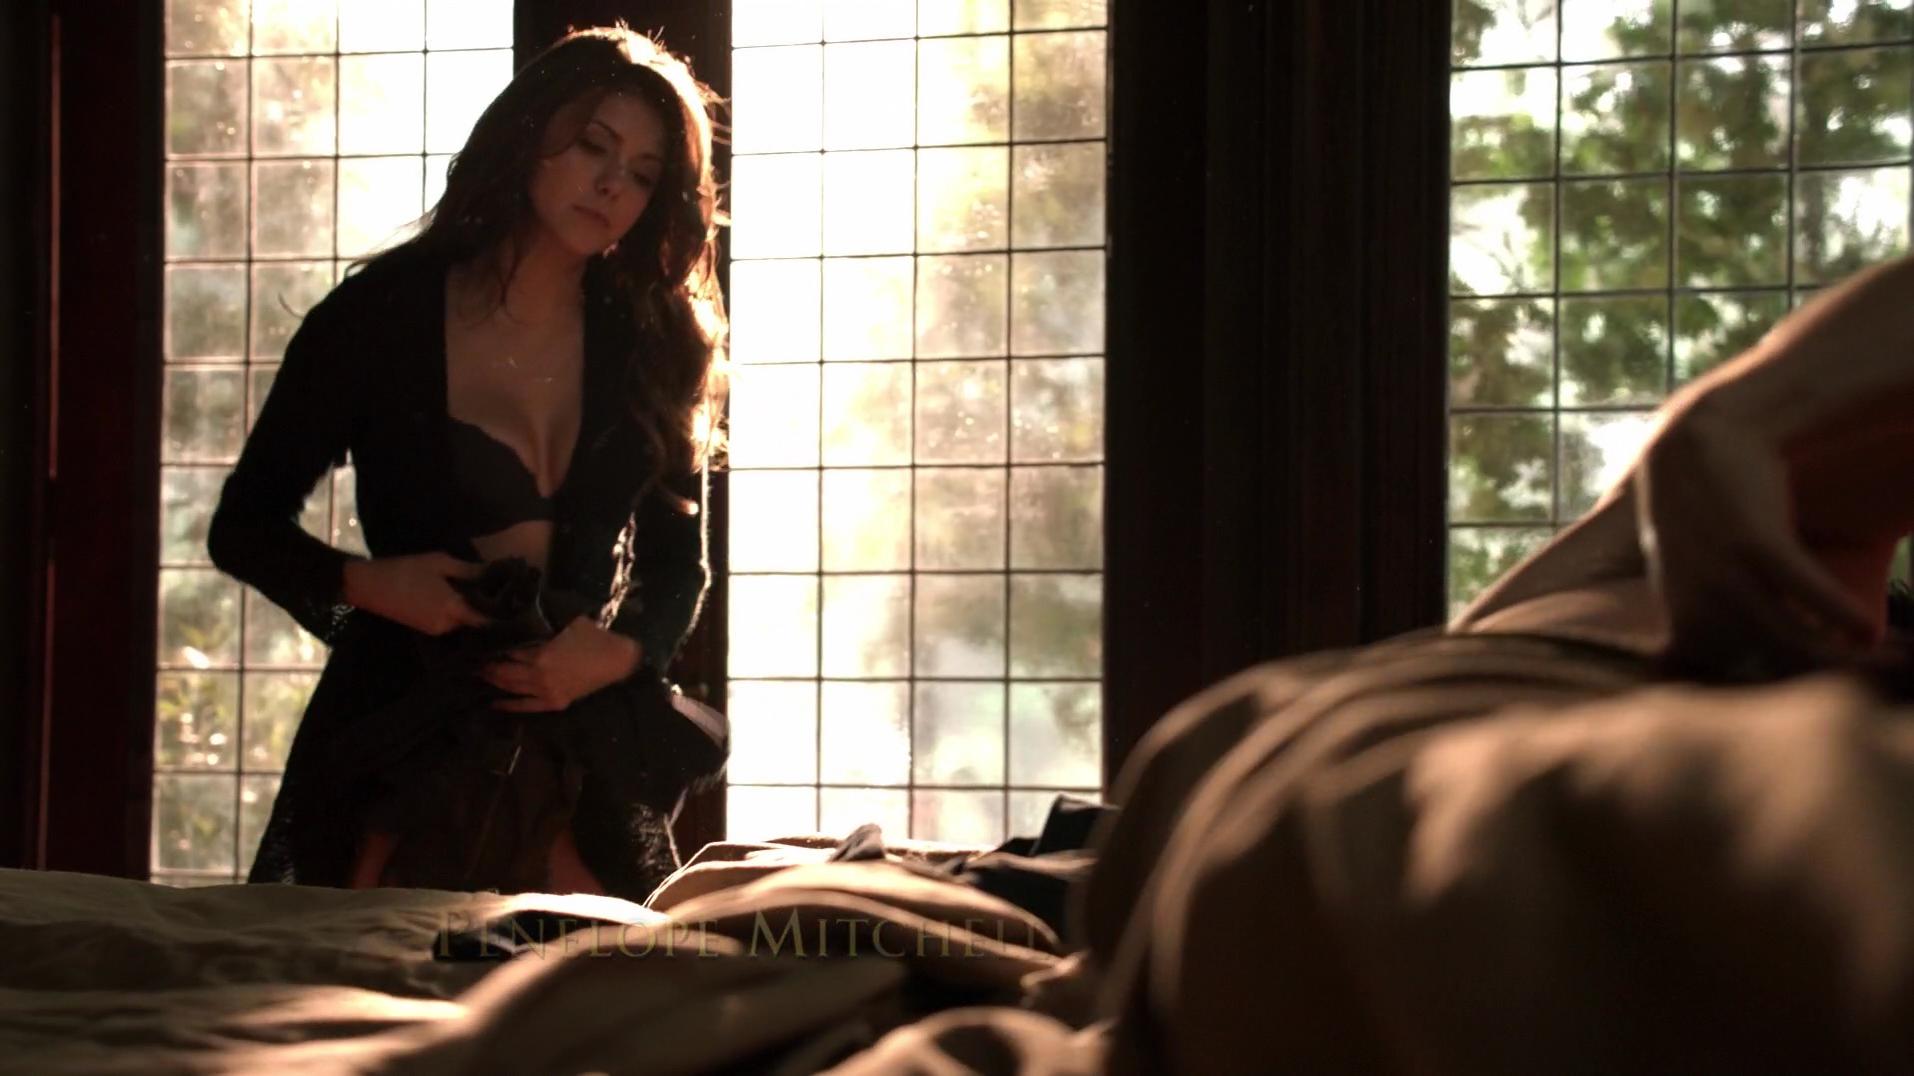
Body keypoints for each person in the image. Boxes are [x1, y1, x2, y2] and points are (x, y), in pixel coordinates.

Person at [207, 26, 728, 900]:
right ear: (527, 133)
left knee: (618, 967)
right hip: (403, 735)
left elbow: (681, 568)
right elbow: (242, 529)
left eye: (643, 174)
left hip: (576, 742)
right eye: (593, 146)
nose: (612, 185)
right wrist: (374, 585)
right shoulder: (376, 318)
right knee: (357, 967)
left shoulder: (653, 343)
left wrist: (609, 656)